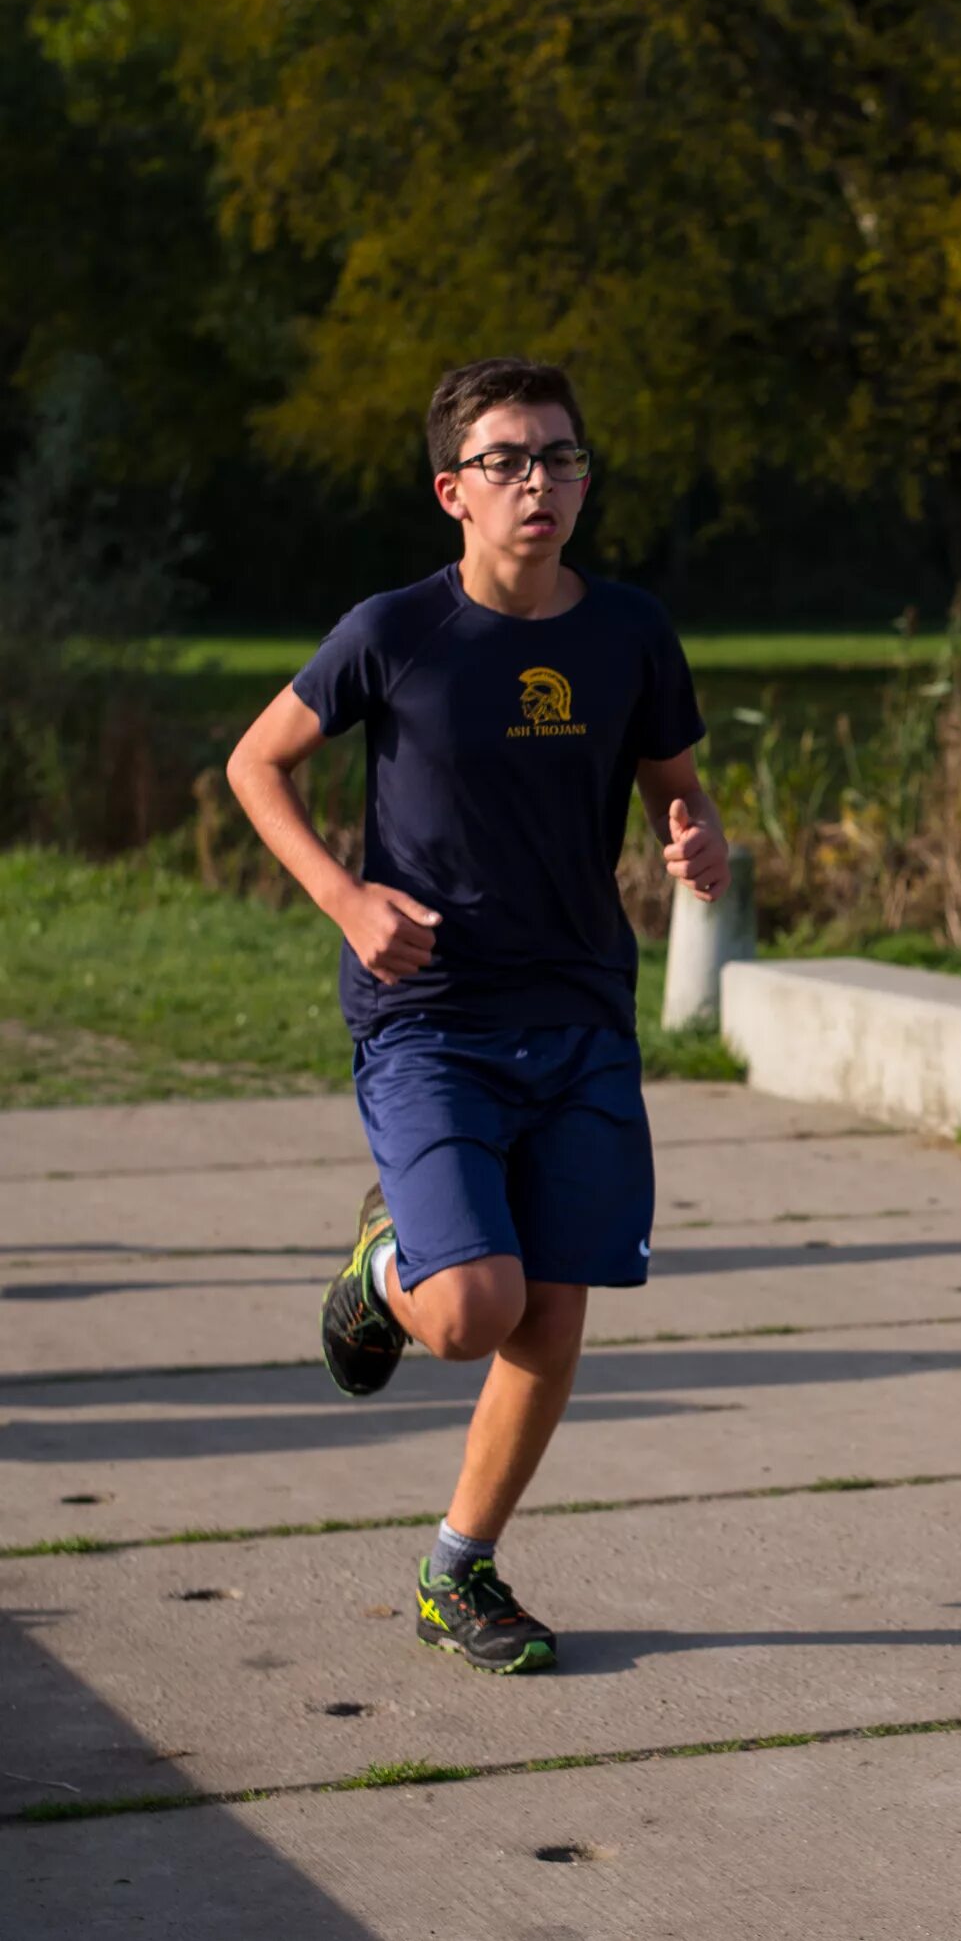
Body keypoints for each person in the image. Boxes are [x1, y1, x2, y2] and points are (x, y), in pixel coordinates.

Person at [225, 357, 723, 1674]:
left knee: (551, 1318)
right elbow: (254, 761)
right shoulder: (396, 630)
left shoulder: (629, 632)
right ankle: (386, 1266)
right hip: (430, 1012)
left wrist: (695, 835)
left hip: (581, 1013)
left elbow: (675, 778)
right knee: (466, 1316)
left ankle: (463, 1570)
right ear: (454, 489)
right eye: (509, 462)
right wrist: (343, 897)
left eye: (562, 458)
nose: (541, 484)